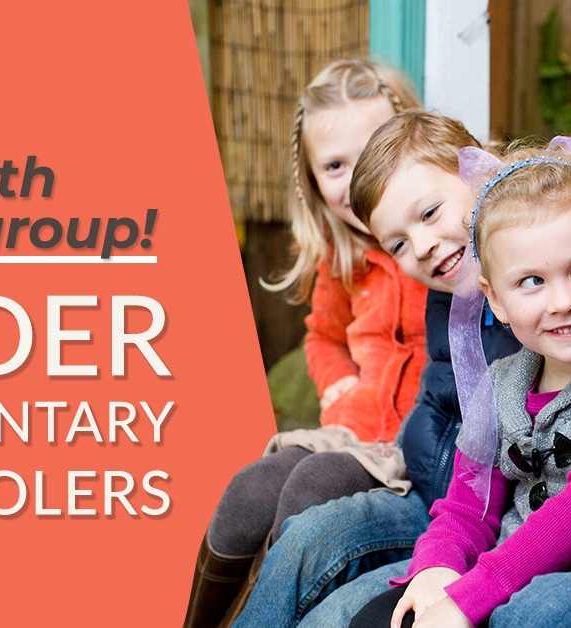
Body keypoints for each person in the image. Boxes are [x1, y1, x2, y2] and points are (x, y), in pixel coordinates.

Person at [351, 136, 571, 628]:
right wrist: (437, 567)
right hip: (508, 586)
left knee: (543, 610)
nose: (563, 301)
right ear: (495, 300)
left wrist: (469, 598)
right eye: (532, 281)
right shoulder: (502, 384)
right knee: (385, 617)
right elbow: (469, 502)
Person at [231, 111, 523, 627]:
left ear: (481, 168)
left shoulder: (535, 290)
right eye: (399, 244)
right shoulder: (447, 295)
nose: (424, 246)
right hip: (438, 500)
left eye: (430, 213)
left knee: (338, 615)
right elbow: (436, 398)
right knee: (307, 539)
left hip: (490, 522)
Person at [183, 59, 428, 628]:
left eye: (371, 150)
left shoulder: (434, 242)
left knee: (313, 485)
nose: (355, 177)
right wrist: (339, 383)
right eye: (335, 165)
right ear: (311, 180)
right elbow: (321, 336)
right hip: (358, 429)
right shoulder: (341, 258)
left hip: (412, 449)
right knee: (251, 490)